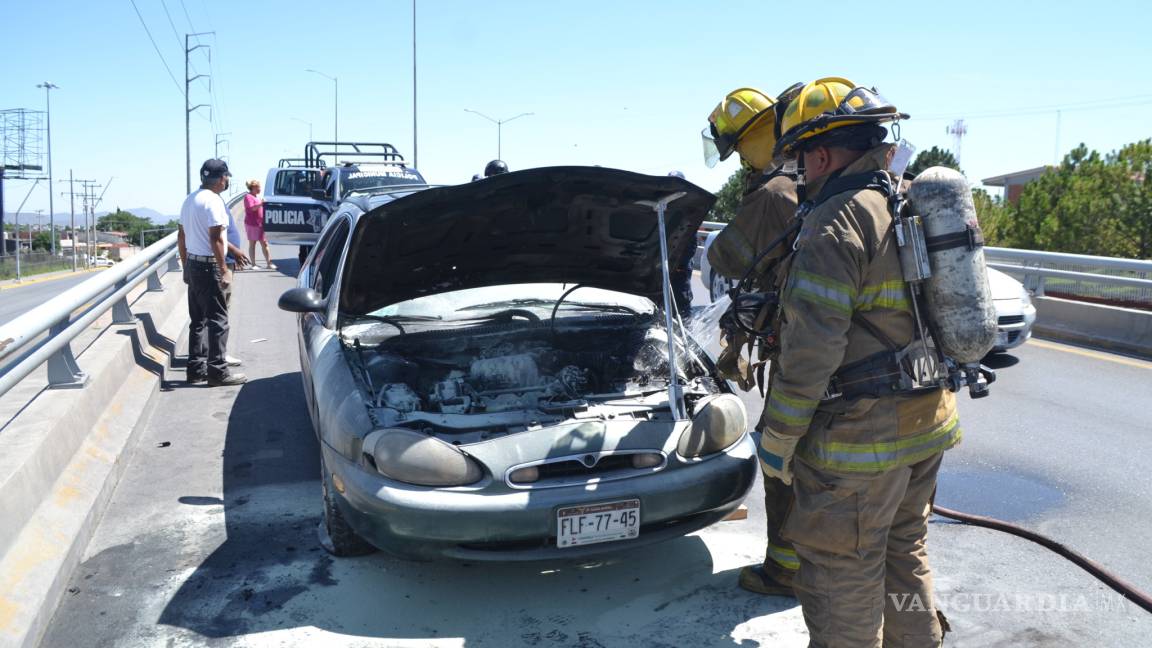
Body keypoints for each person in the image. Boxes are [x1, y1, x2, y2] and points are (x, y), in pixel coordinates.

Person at [760, 77, 957, 646]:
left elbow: (811, 349)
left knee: (838, 569)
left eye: (800, 157)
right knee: (903, 551)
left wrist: (779, 439)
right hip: (928, 422)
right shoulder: (906, 201)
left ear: (820, 153)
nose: (800, 171)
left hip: (860, 444)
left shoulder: (837, 222)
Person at [702, 86, 803, 596]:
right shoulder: (820, 185)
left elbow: (724, 259)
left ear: (759, 137)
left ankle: (786, 570)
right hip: (858, 358)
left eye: (741, 148)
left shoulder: (772, 194)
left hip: (804, 358)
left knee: (779, 457)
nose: (740, 160)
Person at [178, 159, 247, 387]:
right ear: (220, 179)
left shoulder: (190, 200)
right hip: (209, 267)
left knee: (198, 321)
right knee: (218, 320)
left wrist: (186, 264)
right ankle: (218, 372)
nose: (227, 181)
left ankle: (196, 369)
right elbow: (216, 238)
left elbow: (182, 236)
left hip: (194, 265)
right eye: (226, 177)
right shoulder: (214, 201)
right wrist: (224, 269)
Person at [244, 179, 275, 270]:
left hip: (260, 224)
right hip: (252, 223)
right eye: (258, 187)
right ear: (253, 187)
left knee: (264, 243)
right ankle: (253, 264)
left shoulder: (257, 197)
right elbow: (252, 208)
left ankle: (269, 263)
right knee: (252, 243)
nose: (260, 189)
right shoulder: (248, 197)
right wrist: (261, 203)